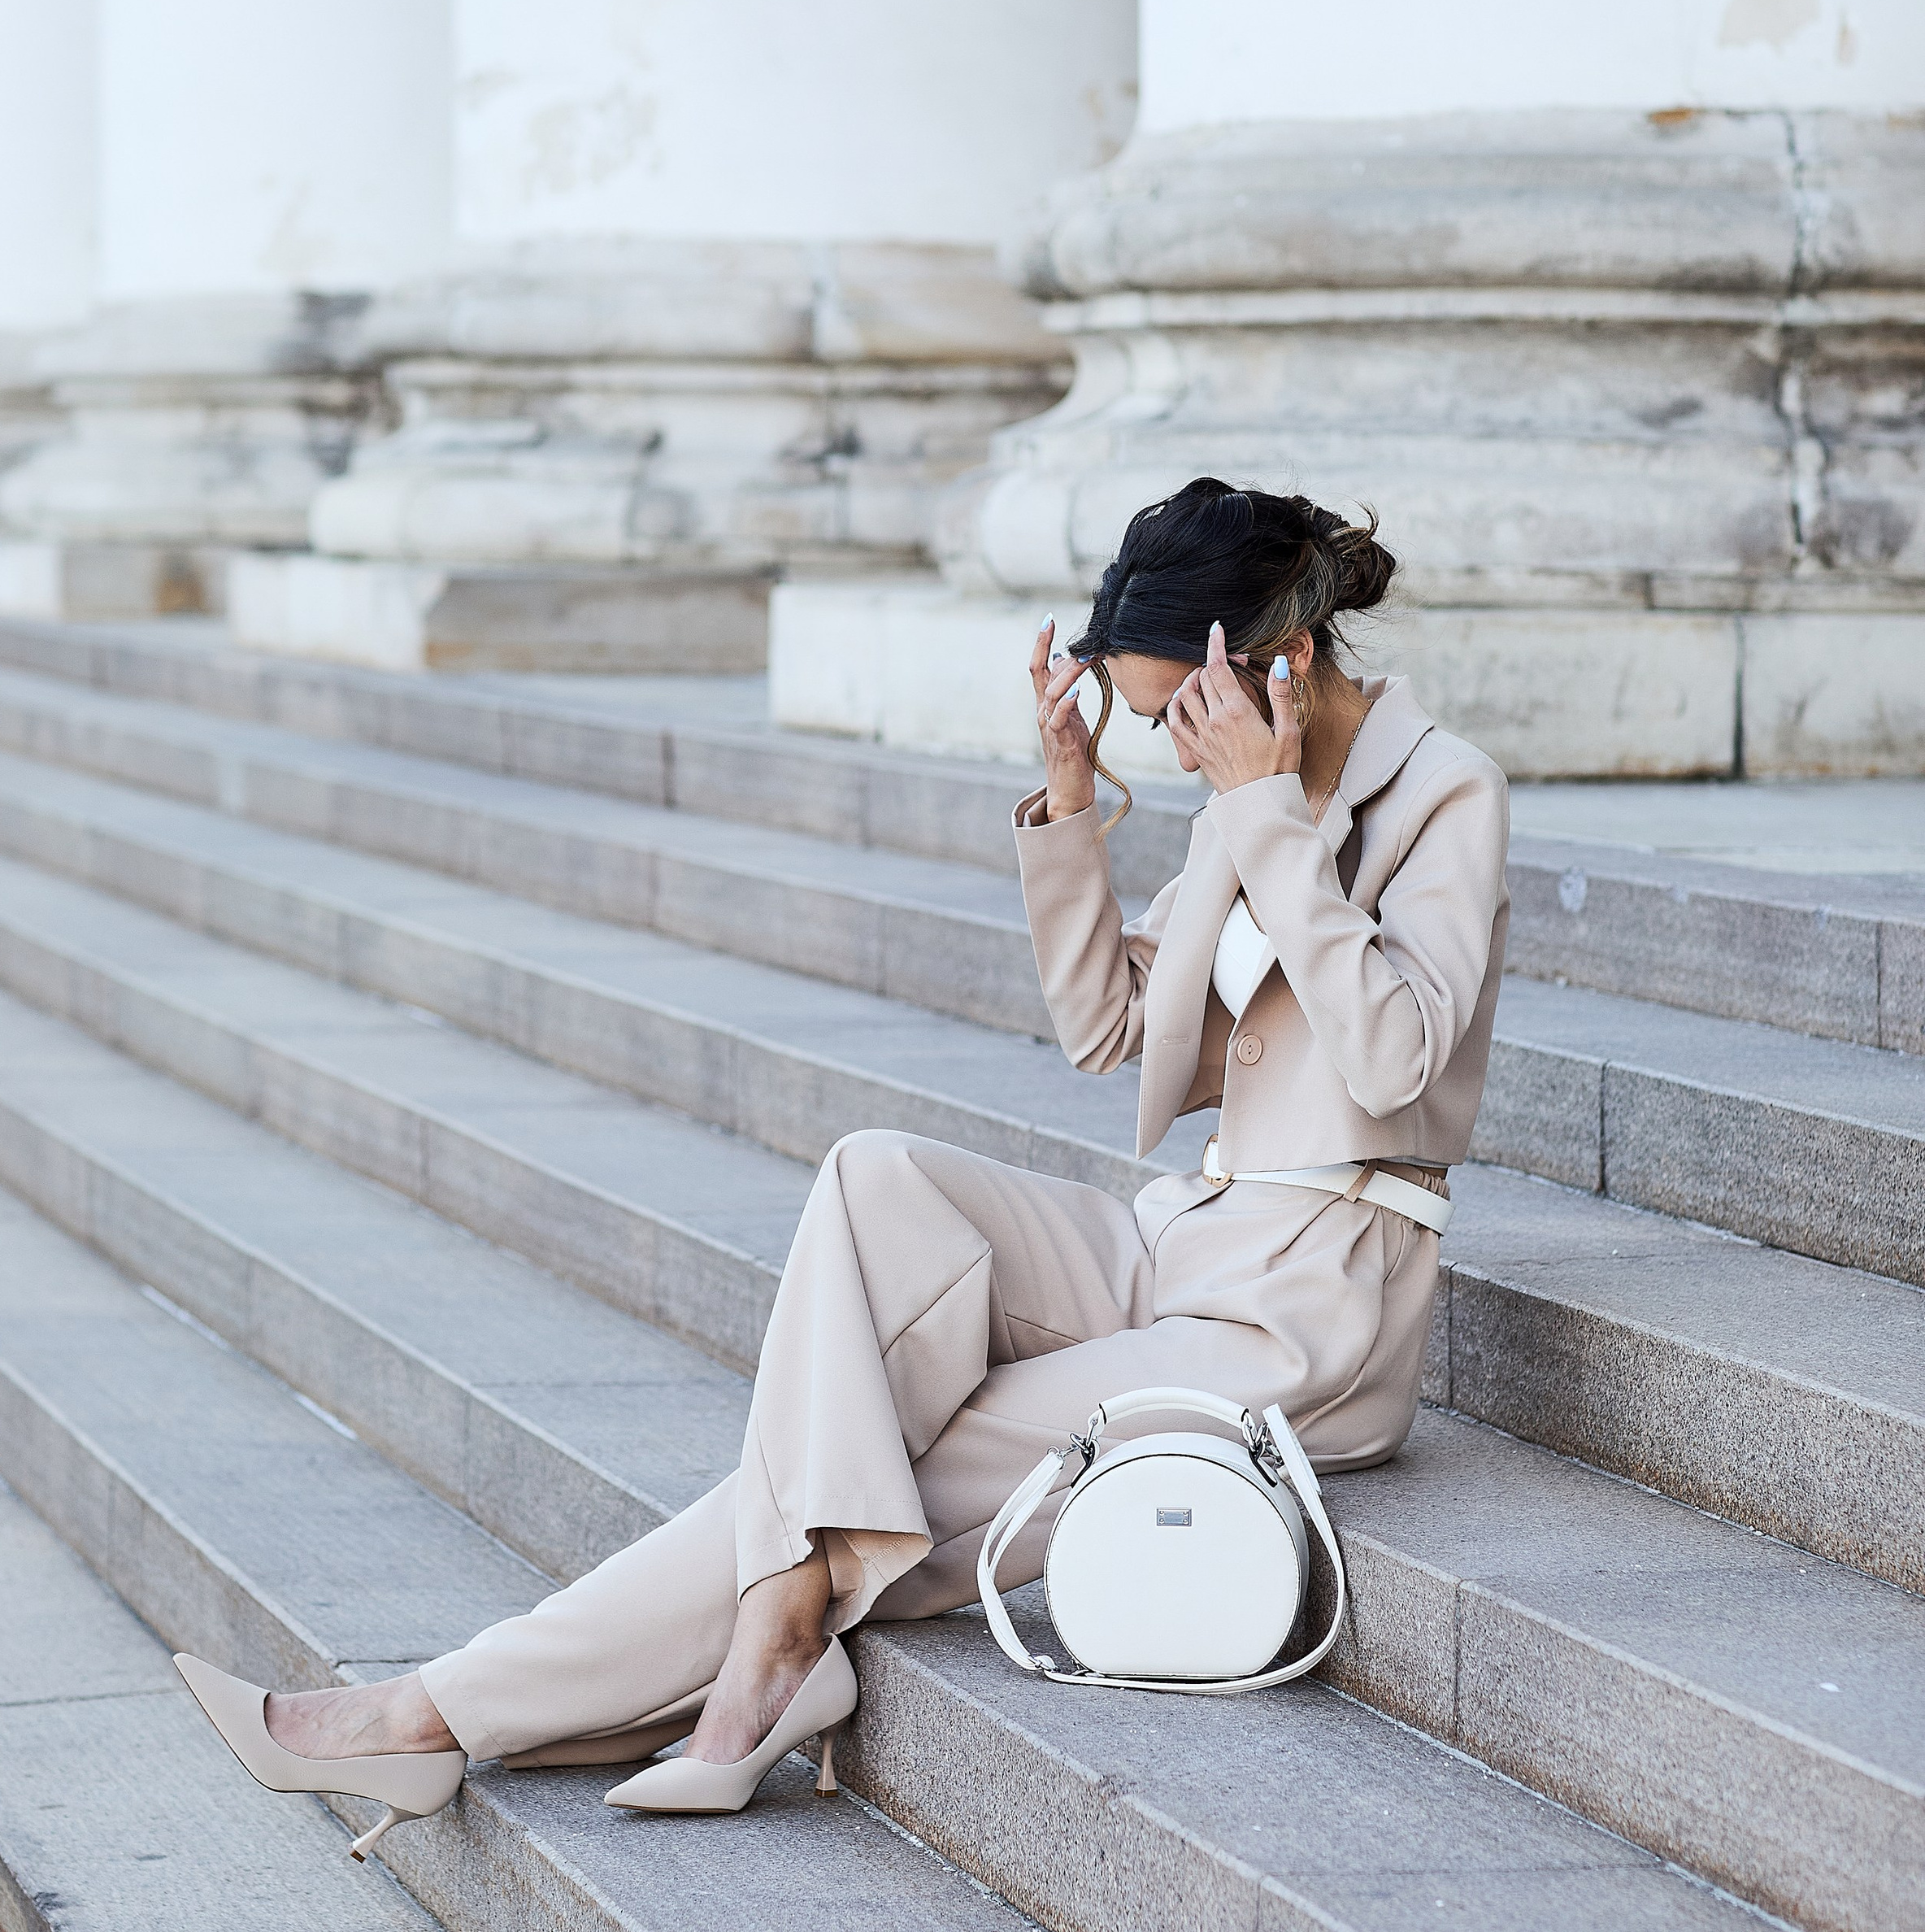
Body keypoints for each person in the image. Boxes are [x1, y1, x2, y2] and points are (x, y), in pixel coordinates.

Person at [176, 480, 1510, 1839]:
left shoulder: (1439, 793)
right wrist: (1069, 807)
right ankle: (737, 1655)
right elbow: (1109, 1027)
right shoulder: (1243, 791)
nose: (1173, 751)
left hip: (1309, 1316)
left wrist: (1265, 812)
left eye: (1178, 711)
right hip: (1189, 1240)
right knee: (879, 1179)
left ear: (1282, 660)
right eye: (1152, 718)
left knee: (859, 1489)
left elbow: (1395, 1056)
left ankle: (439, 1713)